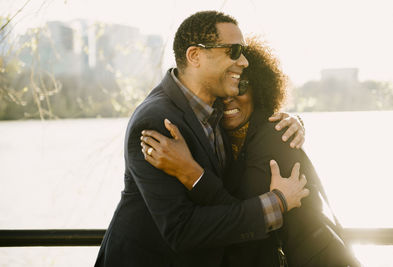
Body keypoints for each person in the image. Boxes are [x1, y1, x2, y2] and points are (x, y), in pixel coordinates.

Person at [94, 11, 309, 267]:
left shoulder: (216, 110)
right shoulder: (157, 122)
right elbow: (181, 229)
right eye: (234, 50)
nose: (243, 61)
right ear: (195, 56)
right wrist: (277, 203)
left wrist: (293, 122)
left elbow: (224, 192)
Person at [140, 37, 360, 266]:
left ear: (260, 88)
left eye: (241, 86)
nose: (229, 97)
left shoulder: (275, 136)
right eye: (222, 87)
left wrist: (191, 173)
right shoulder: (219, 140)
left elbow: (239, 218)